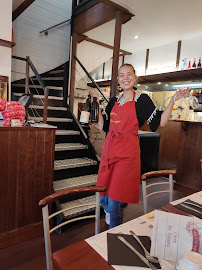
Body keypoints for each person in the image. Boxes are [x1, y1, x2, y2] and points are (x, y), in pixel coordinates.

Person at [96, 63, 190, 229]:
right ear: (118, 80)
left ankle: (114, 234)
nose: (125, 78)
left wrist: (174, 100)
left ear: (135, 77)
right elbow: (103, 126)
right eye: (122, 75)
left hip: (127, 155)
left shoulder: (142, 100)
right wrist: (95, 105)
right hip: (109, 152)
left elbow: (161, 122)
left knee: (114, 200)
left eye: (129, 74)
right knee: (103, 196)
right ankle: (111, 211)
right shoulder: (112, 102)